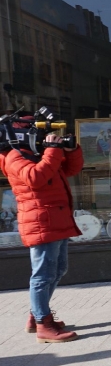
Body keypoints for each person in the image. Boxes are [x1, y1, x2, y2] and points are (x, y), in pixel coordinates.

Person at [1, 128, 83, 342]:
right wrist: (52, 149)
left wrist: (71, 150)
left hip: (55, 218)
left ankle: (37, 314)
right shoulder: (12, 156)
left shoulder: (36, 154)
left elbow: (70, 169)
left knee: (59, 269)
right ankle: (43, 325)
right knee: (43, 275)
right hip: (40, 221)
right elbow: (35, 177)